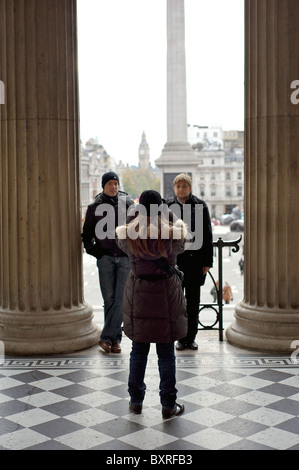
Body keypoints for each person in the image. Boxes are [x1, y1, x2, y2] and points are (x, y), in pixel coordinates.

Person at [116, 190, 188, 419]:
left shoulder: (130, 232)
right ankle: (168, 404)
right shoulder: (171, 231)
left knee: (138, 350)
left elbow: (121, 242)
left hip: (139, 294)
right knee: (166, 352)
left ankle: (136, 401)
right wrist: (168, 215)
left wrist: (133, 215)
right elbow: (182, 244)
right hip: (166, 293)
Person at [82, 171, 134, 354]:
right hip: (105, 259)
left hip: (125, 258)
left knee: (121, 299)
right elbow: (86, 235)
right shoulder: (94, 207)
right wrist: (97, 253)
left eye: (116, 183)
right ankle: (116, 341)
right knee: (109, 299)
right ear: (104, 186)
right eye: (110, 183)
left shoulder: (127, 204)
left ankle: (106, 338)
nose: (113, 186)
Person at [167, 173, 213, 351]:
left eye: (184, 186)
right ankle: (180, 338)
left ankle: (191, 338)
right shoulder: (168, 206)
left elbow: (207, 234)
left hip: (195, 262)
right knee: (177, 303)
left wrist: (207, 261)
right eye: (178, 186)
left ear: (190, 188)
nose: (181, 189)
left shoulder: (201, 206)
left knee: (193, 302)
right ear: (174, 188)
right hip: (175, 262)